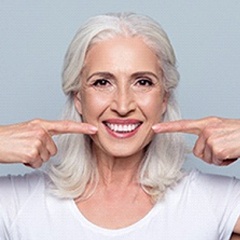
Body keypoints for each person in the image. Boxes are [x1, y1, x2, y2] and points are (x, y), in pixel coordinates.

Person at [0, 12, 240, 239]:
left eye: (143, 82)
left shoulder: (212, 201)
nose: (123, 105)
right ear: (78, 98)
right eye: (102, 82)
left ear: (164, 98)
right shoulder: (17, 203)